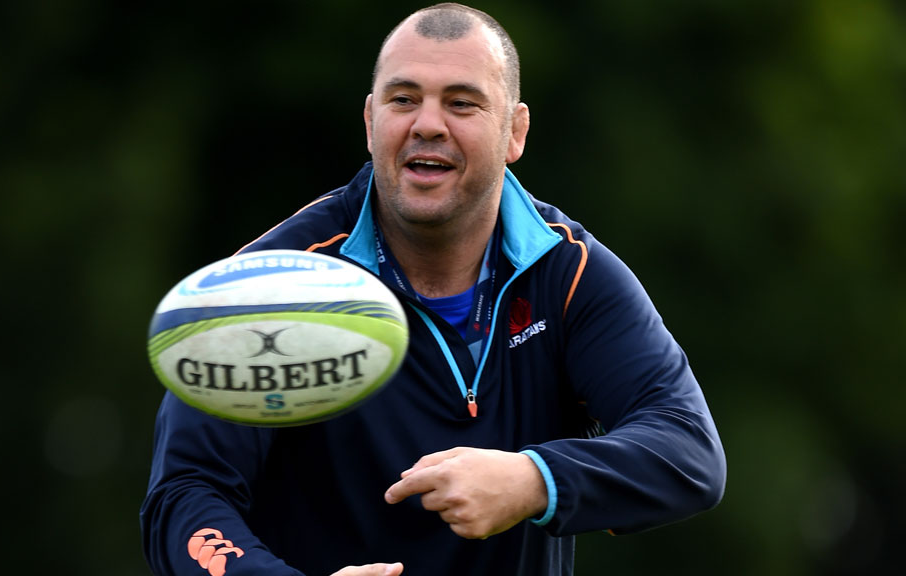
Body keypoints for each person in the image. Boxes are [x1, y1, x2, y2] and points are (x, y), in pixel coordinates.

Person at [140, 3, 727, 575]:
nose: (426, 123)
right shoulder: (276, 283)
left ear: (514, 132)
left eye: (462, 103)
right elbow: (184, 497)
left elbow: (689, 452)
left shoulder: (567, 273)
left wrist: (533, 480)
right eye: (403, 99)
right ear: (370, 122)